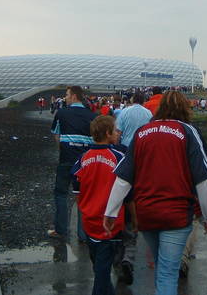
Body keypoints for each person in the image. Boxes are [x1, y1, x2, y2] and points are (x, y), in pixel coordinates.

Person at [104, 91, 207, 295]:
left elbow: (124, 178)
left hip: (147, 213)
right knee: (167, 273)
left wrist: (110, 212)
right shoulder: (188, 132)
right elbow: (201, 179)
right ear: (185, 108)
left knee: (161, 267)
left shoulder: (142, 132)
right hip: (177, 213)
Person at [72, 116, 135, 294]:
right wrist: (135, 220)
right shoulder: (119, 157)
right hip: (112, 223)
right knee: (102, 272)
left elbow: (77, 190)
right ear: (108, 134)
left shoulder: (82, 159)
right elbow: (129, 194)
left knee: (100, 266)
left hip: (89, 221)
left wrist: (84, 209)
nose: (118, 133)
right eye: (115, 130)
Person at [48, 86, 97, 239]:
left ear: (74, 96)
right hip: (85, 162)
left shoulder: (61, 113)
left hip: (66, 159)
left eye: (67, 95)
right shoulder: (92, 116)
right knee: (83, 195)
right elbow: (96, 140)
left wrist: (63, 147)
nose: (66, 98)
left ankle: (61, 230)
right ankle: (83, 234)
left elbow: (55, 134)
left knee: (61, 194)